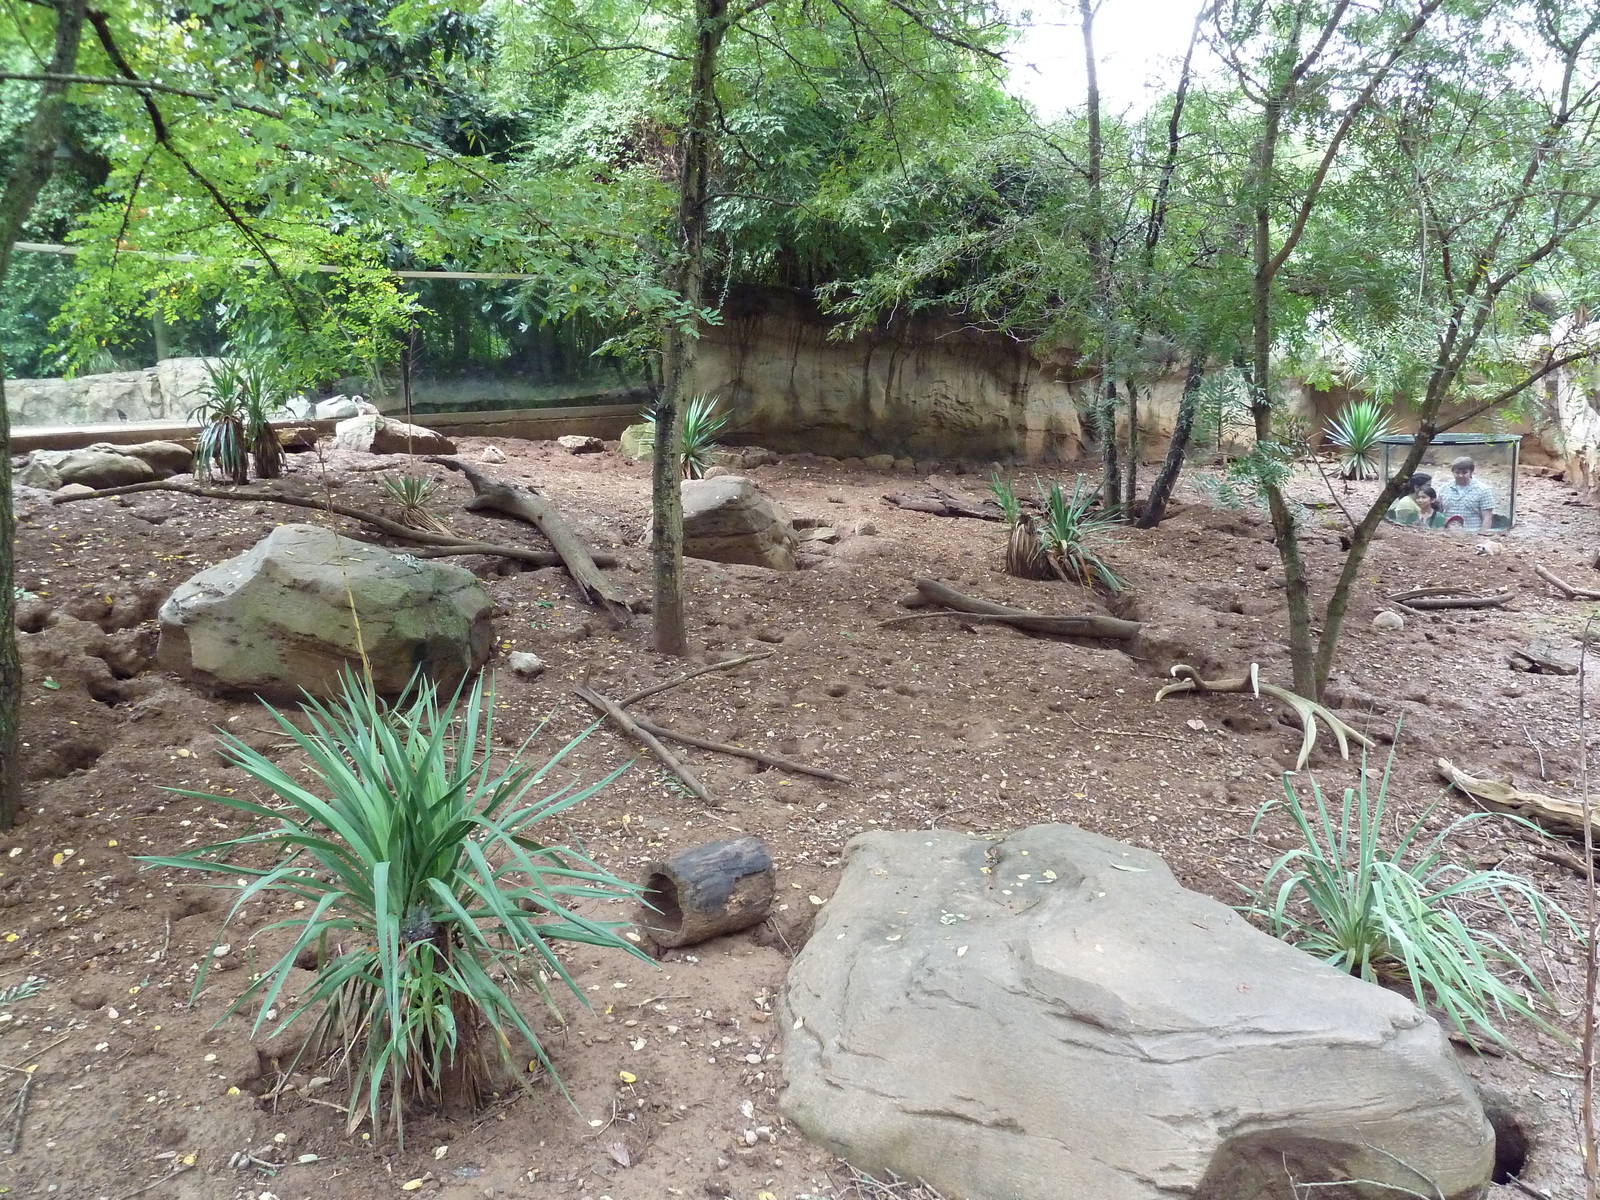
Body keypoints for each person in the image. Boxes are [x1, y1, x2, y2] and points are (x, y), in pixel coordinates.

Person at [1435, 456, 1495, 531]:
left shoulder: (1483, 490)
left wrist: (1483, 535)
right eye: (1457, 472)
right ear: (1452, 472)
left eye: (1464, 472)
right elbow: (1438, 513)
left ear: (1471, 472)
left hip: (1472, 534)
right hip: (1447, 534)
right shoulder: (1444, 489)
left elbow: (1487, 517)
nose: (1460, 475)